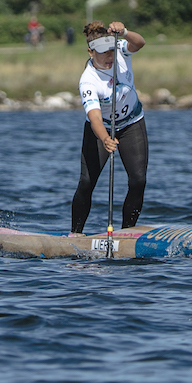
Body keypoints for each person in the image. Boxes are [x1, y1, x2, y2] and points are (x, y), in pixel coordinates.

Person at [71, 20, 148, 235]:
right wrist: (105, 138)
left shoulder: (120, 51)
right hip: (101, 131)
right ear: (90, 52)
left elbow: (140, 43)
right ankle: (75, 234)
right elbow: (94, 117)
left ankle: (126, 234)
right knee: (87, 182)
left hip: (132, 123)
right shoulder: (88, 80)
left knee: (138, 179)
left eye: (111, 51)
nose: (109, 57)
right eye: (103, 53)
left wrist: (124, 32)